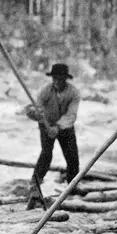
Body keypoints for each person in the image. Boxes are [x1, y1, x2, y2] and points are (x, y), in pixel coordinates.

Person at [26, 63, 82, 195]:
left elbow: (71, 115)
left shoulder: (74, 93)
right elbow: (35, 108)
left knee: (72, 157)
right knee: (46, 154)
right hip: (46, 125)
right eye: (54, 78)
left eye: (60, 79)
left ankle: (72, 186)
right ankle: (35, 184)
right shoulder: (45, 91)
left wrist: (57, 127)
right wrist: (34, 113)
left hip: (66, 127)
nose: (56, 81)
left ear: (65, 79)